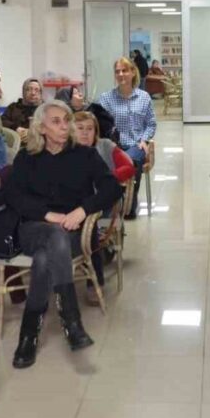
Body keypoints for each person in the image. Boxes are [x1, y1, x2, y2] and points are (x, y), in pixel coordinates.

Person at [3, 101, 122, 368]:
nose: (64, 126)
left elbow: (113, 188)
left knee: (46, 257)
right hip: (33, 229)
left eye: (66, 120)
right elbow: (12, 195)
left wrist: (83, 210)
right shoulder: (27, 157)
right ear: (41, 128)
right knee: (52, 237)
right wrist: (47, 216)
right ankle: (72, 322)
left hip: (74, 233)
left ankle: (28, 334)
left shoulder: (85, 155)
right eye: (56, 121)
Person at [74, 110, 135, 300]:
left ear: (96, 131)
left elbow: (128, 166)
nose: (85, 133)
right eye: (80, 128)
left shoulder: (105, 146)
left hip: (104, 202)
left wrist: (107, 180)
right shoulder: (67, 151)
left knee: (89, 220)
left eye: (89, 129)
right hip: (75, 203)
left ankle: (94, 276)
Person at [97, 56, 157, 219]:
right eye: (117, 71)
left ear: (132, 73)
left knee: (130, 160)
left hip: (136, 144)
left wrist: (144, 140)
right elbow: (101, 124)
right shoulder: (106, 98)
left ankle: (129, 201)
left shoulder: (144, 97)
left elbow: (151, 124)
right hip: (113, 144)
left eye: (125, 70)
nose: (121, 74)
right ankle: (117, 201)